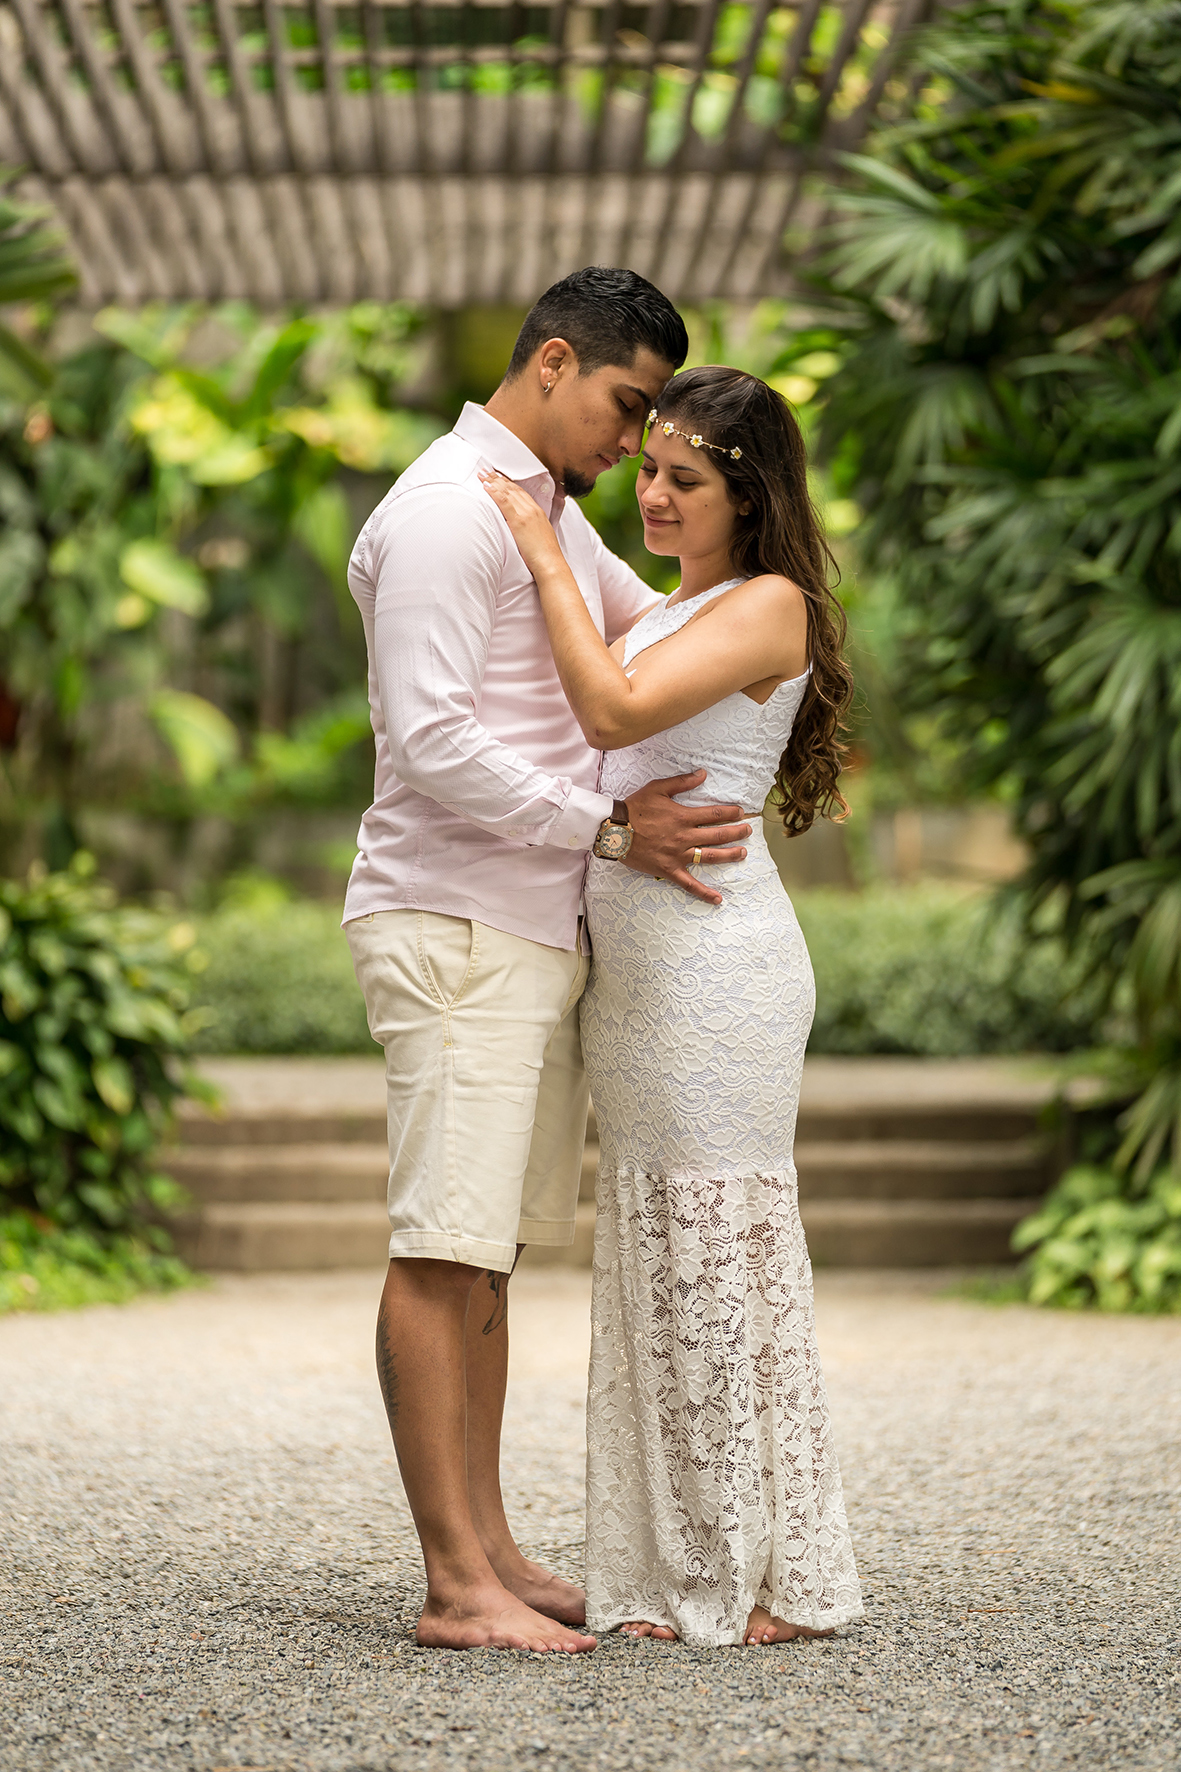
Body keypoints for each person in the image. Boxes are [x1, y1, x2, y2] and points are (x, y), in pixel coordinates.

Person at [342, 270, 756, 1655]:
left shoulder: (546, 520)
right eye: (627, 408)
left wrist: (776, 632)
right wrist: (607, 825)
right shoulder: (451, 511)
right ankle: (452, 1586)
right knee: (438, 1249)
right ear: (556, 361)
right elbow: (431, 739)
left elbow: (655, 634)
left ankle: (495, 1548)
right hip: (454, 922)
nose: (632, 449)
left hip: (527, 929)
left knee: (491, 1259)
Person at [479, 364, 864, 1648]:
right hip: (639, 981)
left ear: (744, 493)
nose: (649, 492)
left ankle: (754, 1573)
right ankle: (680, 1564)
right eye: (643, 468)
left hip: (719, 973)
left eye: (681, 477)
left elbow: (612, 704)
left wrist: (541, 539)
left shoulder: (770, 608)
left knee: (716, 1252)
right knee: (659, 1251)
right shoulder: (675, 604)